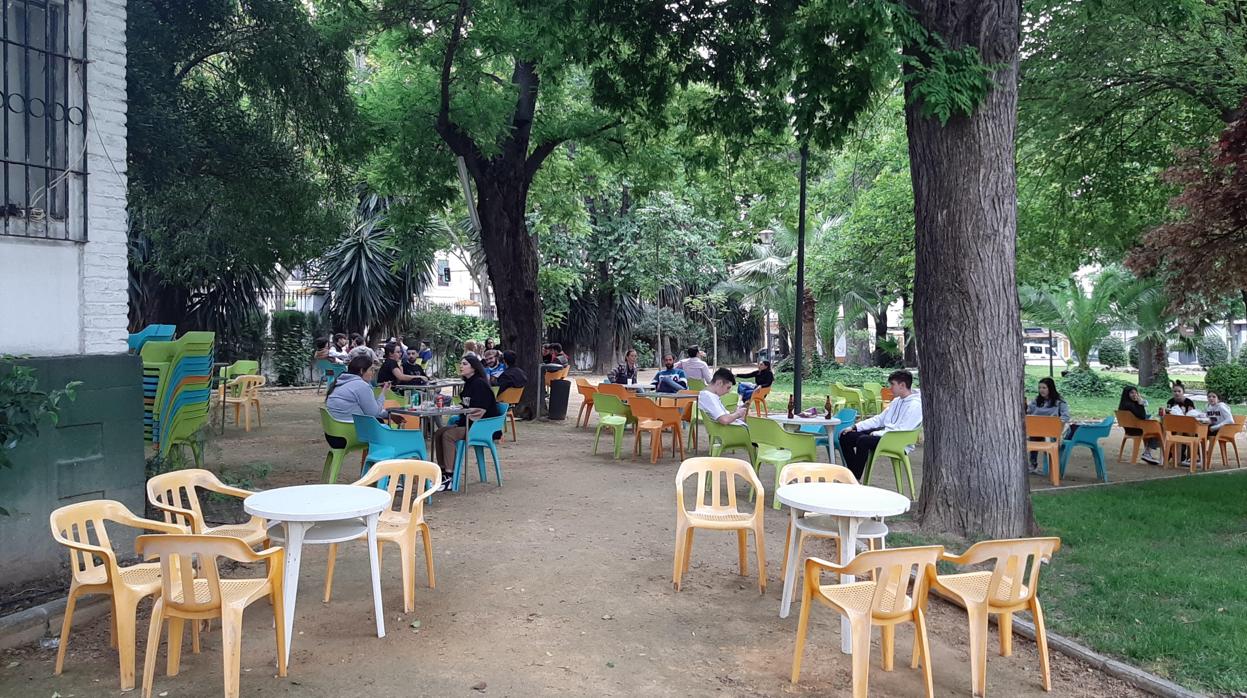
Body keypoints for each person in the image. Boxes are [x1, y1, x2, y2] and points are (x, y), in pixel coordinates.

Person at [839, 370, 923, 480]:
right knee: (846, 436)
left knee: (864, 441)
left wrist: (877, 433)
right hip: (885, 435)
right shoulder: (897, 401)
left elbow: (902, 429)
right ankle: (852, 476)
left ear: (902, 385)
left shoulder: (915, 405)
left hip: (897, 441)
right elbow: (879, 419)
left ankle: (854, 478)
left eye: (892, 384)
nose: (890, 388)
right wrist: (855, 427)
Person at [433, 355, 501, 488]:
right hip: (469, 422)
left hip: (481, 426)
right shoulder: (468, 384)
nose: (461, 366)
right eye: (461, 363)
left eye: (464, 364)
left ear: (474, 368)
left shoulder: (480, 384)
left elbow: (479, 410)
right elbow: (466, 406)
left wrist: (462, 410)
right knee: (439, 432)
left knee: (449, 435)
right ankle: (442, 471)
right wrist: (459, 409)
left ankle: (450, 476)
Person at [324, 355, 388, 424]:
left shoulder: (340, 382)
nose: (373, 372)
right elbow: (374, 413)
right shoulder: (362, 385)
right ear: (362, 370)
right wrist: (384, 394)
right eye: (371, 369)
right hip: (354, 430)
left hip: (335, 431)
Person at [1026, 377, 1070, 472]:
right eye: (1040, 388)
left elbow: (1065, 417)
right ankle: (1033, 464)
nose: (1041, 390)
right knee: (1034, 436)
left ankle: (1052, 466)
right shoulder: (1037, 400)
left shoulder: (1059, 402)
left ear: (1050, 388)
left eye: (1044, 387)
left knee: (1049, 439)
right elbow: (1028, 412)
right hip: (1038, 430)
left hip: (1054, 430)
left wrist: (1055, 424)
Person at [1118, 386, 1160, 464]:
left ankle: (1147, 452)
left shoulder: (1123, 404)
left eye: (1135, 392)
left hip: (1129, 429)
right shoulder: (1130, 405)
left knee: (1154, 429)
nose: (1134, 395)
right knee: (1158, 431)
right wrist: (1140, 404)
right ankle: (1147, 453)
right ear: (1127, 394)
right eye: (1131, 393)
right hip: (1137, 429)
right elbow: (1142, 416)